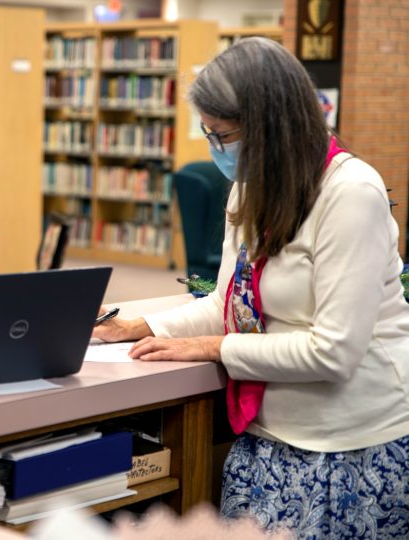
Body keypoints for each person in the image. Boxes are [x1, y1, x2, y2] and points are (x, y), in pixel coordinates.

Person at [94, 38, 409, 538]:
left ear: (271, 127)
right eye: (208, 133)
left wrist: (215, 347)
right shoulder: (251, 187)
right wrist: (137, 327)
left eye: (222, 135)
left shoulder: (352, 195)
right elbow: (229, 302)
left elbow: (334, 352)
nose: (215, 149)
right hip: (266, 439)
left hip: (346, 447)